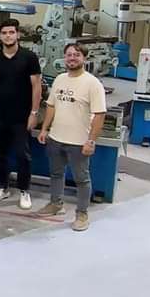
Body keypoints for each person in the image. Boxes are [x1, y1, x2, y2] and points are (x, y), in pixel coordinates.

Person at [36, 43, 107, 231]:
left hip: (79, 142)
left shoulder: (92, 83)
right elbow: (51, 106)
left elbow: (99, 115)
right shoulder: (59, 79)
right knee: (56, 174)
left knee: (81, 179)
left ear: (84, 58)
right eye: (69, 55)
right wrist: (44, 129)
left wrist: (91, 140)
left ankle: (82, 214)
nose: (72, 58)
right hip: (56, 138)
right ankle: (55, 204)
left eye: (76, 55)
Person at [0, 19, 42, 210]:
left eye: (11, 32)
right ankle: (3, 187)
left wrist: (34, 113)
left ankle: (24, 190)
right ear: (0, 35)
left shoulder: (29, 57)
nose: (8, 36)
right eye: (4, 33)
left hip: (21, 117)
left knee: (23, 155)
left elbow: (36, 86)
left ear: (18, 34)